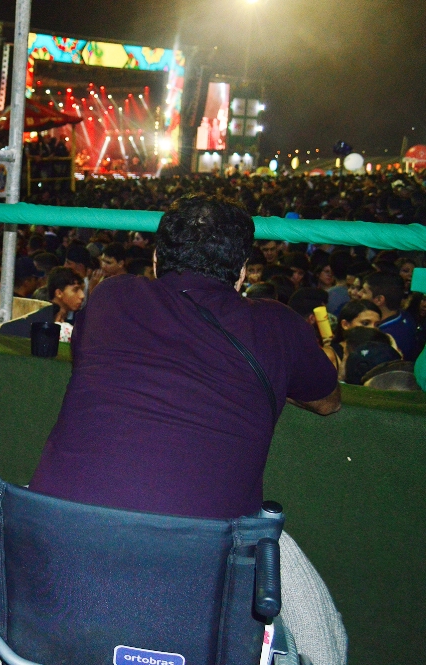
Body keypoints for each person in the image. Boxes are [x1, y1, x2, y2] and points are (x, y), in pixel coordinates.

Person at [29, 194, 345, 665]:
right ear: (242, 271)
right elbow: (327, 400)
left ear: (157, 259)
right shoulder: (276, 325)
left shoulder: (112, 297)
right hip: (199, 570)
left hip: (56, 545)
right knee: (326, 635)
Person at [360, 271, 418, 360]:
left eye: (364, 292)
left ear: (379, 300)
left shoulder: (382, 339)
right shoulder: (407, 317)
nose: (359, 294)